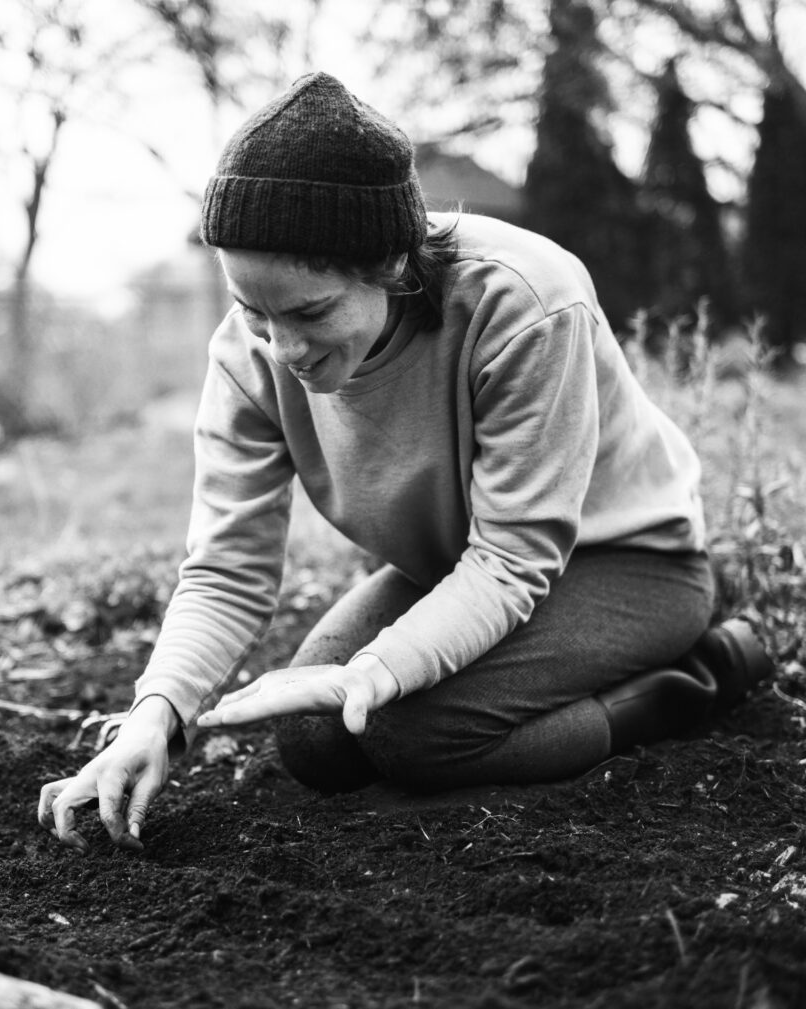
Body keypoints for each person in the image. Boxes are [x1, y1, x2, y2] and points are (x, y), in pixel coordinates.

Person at [39, 72, 772, 853]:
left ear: (390, 263)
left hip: (631, 566)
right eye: (254, 311)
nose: (282, 350)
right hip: (458, 566)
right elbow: (227, 567)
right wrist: (157, 712)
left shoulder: (524, 304)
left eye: (309, 312)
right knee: (313, 741)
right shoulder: (247, 357)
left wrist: (380, 670)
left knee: (410, 733)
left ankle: (697, 676)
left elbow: (514, 556)